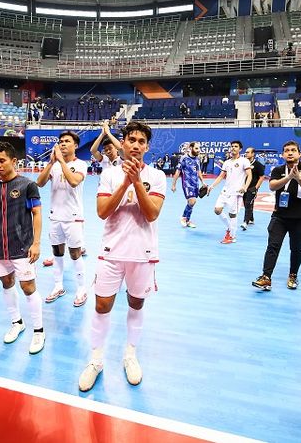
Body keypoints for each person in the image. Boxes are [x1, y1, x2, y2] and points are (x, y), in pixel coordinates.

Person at [78, 121, 166, 392]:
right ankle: (96, 360)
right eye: (131, 140)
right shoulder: (109, 174)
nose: (136, 145)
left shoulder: (157, 176)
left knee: (136, 304)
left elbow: (151, 214)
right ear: (123, 143)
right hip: (111, 252)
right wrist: (125, 182)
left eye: (141, 141)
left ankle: (130, 354)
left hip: (143, 253)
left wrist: (136, 182)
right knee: (102, 305)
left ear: (147, 147)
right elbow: (102, 211)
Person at [0, 141, 45, 355]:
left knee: (28, 287)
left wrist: (36, 243)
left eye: (2, 160)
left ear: (13, 161)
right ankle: (17, 322)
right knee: (7, 283)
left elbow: (37, 214)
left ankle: (39, 330)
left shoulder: (28, 185)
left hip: (23, 246)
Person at [251, 140, 301, 291]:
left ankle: (293, 275)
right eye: (287, 150)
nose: (290, 153)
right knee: (272, 246)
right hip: (279, 216)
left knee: (296, 248)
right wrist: (288, 178)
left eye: (293, 150)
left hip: (299, 217)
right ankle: (266, 277)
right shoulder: (278, 170)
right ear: (282, 155)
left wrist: (298, 178)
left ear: (299, 154)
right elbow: (272, 186)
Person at [35, 131, 88, 306]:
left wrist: (61, 161)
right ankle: (58, 286)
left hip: (73, 217)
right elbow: (39, 183)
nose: (62, 144)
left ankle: (81, 289)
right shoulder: (55, 165)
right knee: (57, 253)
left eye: (67, 141)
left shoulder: (81, 164)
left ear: (76, 146)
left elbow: (74, 181)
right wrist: (51, 162)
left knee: (75, 253)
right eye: (61, 141)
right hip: (55, 216)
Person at [207, 140, 252, 244]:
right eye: (232, 146)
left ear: (240, 149)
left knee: (232, 215)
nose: (233, 148)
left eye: (236, 146)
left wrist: (245, 187)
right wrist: (212, 186)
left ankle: (232, 236)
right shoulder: (227, 162)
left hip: (236, 193)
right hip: (225, 191)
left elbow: (249, 175)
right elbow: (221, 176)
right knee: (217, 210)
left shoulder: (244, 161)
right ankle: (229, 227)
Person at [172, 142, 206, 228]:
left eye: (199, 148)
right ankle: (184, 217)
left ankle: (187, 220)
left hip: (196, 184)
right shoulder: (184, 158)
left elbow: (198, 171)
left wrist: (203, 182)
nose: (199, 150)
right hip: (187, 183)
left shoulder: (197, 159)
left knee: (191, 203)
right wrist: (173, 184)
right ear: (191, 148)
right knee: (192, 201)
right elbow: (178, 171)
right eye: (196, 148)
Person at [241, 147, 266, 230]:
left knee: (248, 203)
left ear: (253, 154)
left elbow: (262, 177)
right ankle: (251, 218)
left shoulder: (258, 165)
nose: (246, 153)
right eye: (245, 152)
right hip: (244, 187)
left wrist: (256, 187)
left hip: (252, 188)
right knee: (246, 203)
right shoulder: (244, 163)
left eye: (248, 152)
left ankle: (245, 222)